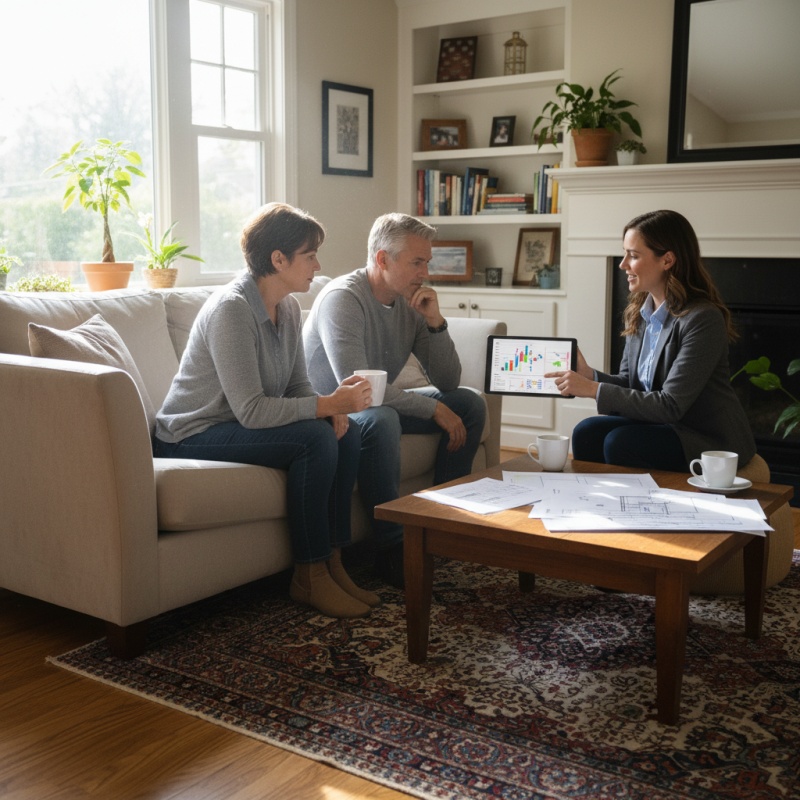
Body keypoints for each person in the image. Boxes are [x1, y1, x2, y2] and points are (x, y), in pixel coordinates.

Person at [153, 202, 379, 619]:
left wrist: (331, 410)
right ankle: (308, 577)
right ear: (278, 259)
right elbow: (253, 411)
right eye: (309, 255)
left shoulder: (289, 307)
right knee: (314, 438)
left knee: (345, 433)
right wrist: (326, 405)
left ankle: (332, 562)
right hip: (191, 434)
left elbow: (295, 385)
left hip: (234, 425)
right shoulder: (231, 310)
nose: (317, 264)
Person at [303, 213, 486, 588]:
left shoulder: (409, 303)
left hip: (375, 405)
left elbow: (448, 380)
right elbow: (359, 389)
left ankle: (442, 525)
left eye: (427, 262)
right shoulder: (343, 299)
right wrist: (433, 408)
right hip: (334, 411)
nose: (425, 272)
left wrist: (435, 321)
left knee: (468, 403)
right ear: (383, 259)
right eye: (417, 262)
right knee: (383, 417)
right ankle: (392, 548)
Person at [546, 209, 756, 471]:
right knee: (586, 431)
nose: (623, 264)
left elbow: (670, 405)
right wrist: (590, 376)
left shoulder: (702, 319)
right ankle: (598, 505)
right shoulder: (640, 313)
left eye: (633, 256)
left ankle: (640, 509)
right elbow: (631, 384)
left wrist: (592, 390)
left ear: (667, 260)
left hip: (701, 435)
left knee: (620, 442)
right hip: (661, 425)